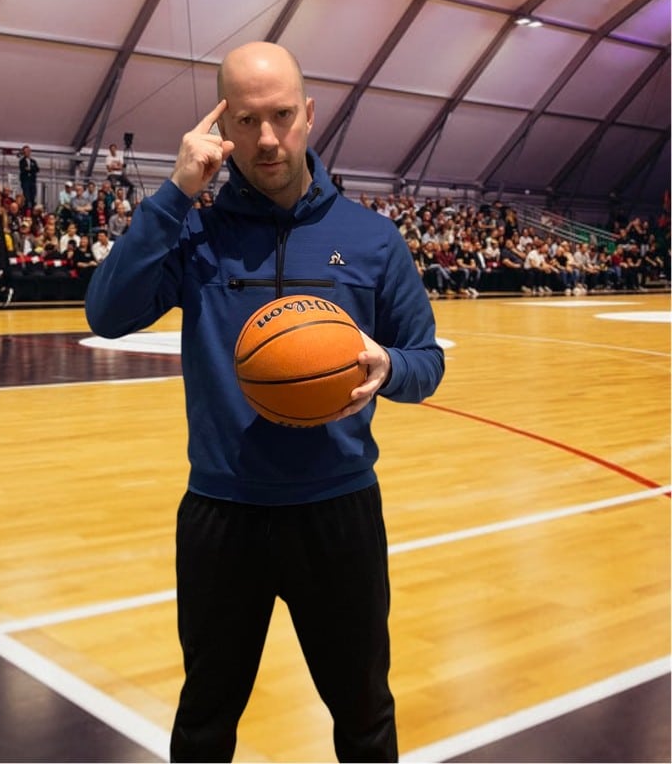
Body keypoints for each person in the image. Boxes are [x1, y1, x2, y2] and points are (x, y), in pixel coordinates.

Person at [85, 41, 444, 763]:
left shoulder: (371, 239)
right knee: (204, 723)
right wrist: (174, 194)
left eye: (282, 116)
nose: (268, 139)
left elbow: (426, 360)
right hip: (223, 513)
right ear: (221, 129)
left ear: (309, 114)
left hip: (338, 511)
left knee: (365, 718)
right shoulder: (194, 233)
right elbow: (107, 312)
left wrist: (390, 367)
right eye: (246, 121)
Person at [18, 145, 40, 209]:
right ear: (23, 152)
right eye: (25, 151)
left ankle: (33, 209)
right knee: (27, 198)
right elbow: (23, 169)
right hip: (25, 181)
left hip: (32, 181)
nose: (27, 152)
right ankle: (26, 209)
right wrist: (31, 169)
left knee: (33, 197)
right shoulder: (22, 161)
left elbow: (37, 169)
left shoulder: (33, 161)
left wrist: (29, 169)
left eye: (28, 151)